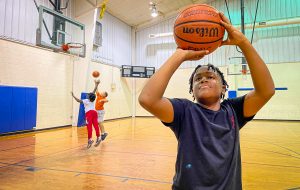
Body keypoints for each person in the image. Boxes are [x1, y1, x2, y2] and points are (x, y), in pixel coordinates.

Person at [138, 12, 275, 190]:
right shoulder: (184, 111)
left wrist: (243, 43)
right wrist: (179, 55)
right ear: (192, 91)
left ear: (224, 87)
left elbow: (266, 91)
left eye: (210, 76)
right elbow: (147, 99)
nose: (203, 79)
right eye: (197, 78)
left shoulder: (233, 111)